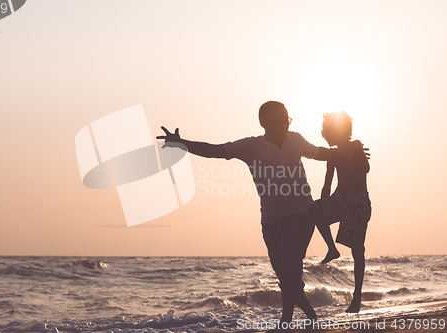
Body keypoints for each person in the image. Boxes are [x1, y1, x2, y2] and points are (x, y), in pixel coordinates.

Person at [157, 101, 335, 324]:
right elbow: (216, 151)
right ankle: (311, 317)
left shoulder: (296, 140)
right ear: (263, 123)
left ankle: (286, 322)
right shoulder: (250, 146)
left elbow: (322, 154)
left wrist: (348, 150)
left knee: (286, 260)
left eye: (287, 119)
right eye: (278, 121)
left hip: (302, 214)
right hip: (271, 222)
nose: (284, 125)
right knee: (285, 275)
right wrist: (182, 143)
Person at [308, 111, 371, 314]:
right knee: (313, 209)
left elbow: (366, 167)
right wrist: (323, 201)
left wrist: (347, 157)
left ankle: (357, 296)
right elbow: (327, 183)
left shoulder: (356, 146)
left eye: (329, 130)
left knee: (357, 249)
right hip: (340, 197)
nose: (325, 134)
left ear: (342, 130)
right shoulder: (332, 154)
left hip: (359, 202)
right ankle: (331, 249)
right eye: (324, 131)